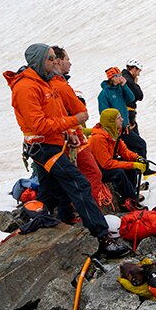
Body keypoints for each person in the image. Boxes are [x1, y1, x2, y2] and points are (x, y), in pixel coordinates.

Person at [4, 43, 130, 258]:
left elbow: (54, 115)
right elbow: (39, 125)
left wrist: (69, 131)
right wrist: (74, 121)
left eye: (55, 58)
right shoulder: (26, 87)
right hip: (44, 147)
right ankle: (102, 238)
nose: (55, 61)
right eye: (50, 58)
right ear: (39, 61)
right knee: (79, 183)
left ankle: (52, 222)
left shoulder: (44, 84)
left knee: (52, 190)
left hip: (52, 144)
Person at [49, 46, 109, 208]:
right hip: (71, 138)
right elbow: (77, 110)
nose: (70, 63)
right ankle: (94, 212)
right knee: (91, 174)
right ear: (58, 61)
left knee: (75, 177)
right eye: (67, 59)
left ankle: (81, 212)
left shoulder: (55, 83)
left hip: (66, 137)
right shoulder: (59, 85)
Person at [98, 67, 156, 177]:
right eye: (118, 75)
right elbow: (104, 113)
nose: (121, 77)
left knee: (134, 149)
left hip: (125, 127)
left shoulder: (119, 89)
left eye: (120, 74)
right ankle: (143, 170)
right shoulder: (104, 94)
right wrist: (114, 128)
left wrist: (125, 86)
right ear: (112, 78)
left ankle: (138, 172)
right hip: (117, 130)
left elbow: (131, 98)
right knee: (140, 144)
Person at [89, 108, 148, 212]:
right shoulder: (98, 138)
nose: (122, 120)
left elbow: (124, 151)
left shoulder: (113, 133)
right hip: (96, 170)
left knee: (128, 167)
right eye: (118, 118)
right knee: (118, 172)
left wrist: (136, 158)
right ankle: (130, 201)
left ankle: (129, 197)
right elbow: (106, 164)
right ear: (111, 122)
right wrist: (132, 165)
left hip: (104, 165)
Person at [122, 59, 144, 133]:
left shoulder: (123, 76)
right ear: (134, 69)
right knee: (138, 142)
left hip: (125, 113)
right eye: (138, 71)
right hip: (128, 113)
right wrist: (136, 84)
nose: (138, 74)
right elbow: (140, 96)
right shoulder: (128, 80)